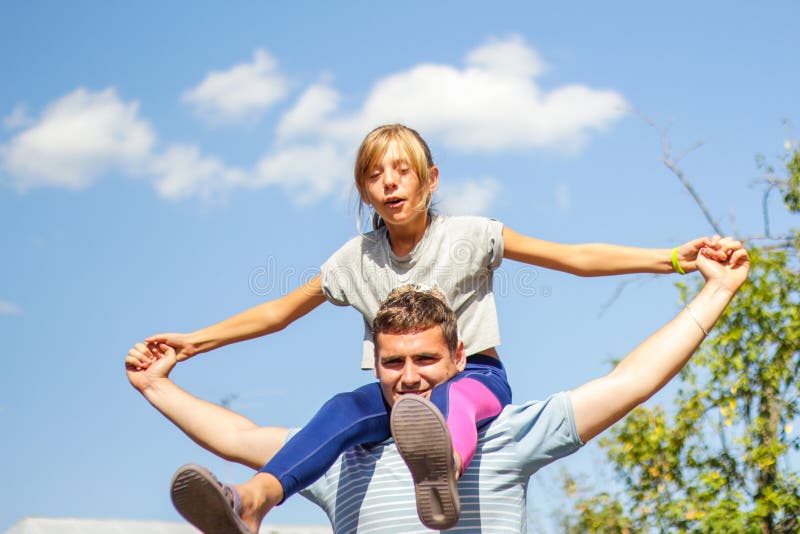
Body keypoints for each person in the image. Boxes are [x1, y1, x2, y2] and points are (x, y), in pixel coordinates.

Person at [136, 123, 729, 529]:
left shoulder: (470, 236)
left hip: (477, 381)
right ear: (364, 189)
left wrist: (671, 258)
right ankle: (251, 502)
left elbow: (571, 257)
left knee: (454, 402)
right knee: (344, 409)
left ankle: (442, 468)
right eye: (375, 174)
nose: (390, 182)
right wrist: (194, 341)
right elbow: (277, 313)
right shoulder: (354, 260)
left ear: (430, 179)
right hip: (395, 403)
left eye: (402, 170)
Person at [126, 242, 748, 533]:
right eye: (394, 363)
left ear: (458, 357)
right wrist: (157, 387)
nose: (411, 376)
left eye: (426, 359)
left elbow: (630, 382)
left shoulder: (505, 436)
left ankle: (445, 466)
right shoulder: (342, 455)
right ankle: (251, 503)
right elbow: (237, 434)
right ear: (374, 361)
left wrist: (714, 290)